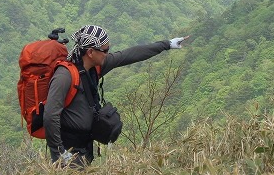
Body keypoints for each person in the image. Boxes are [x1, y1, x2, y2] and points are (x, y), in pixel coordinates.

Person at [43, 24, 188, 167]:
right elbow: (50, 115)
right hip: (69, 152)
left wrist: (167, 44)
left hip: (85, 148)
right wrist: (60, 153)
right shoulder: (64, 76)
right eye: (105, 50)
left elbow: (128, 55)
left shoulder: (95, 67)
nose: (108, 54)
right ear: (91, 52)